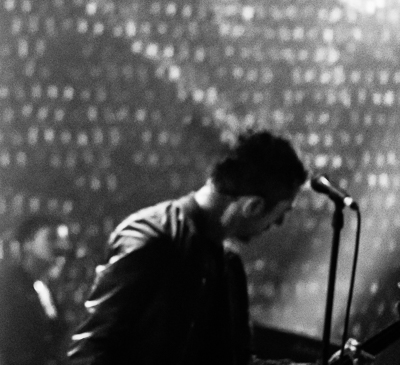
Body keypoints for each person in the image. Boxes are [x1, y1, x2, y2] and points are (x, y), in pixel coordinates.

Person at [67, 129, 368, 365]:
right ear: (252, 206)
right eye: (280, 215)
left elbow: (237, 363)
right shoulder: (150, 237)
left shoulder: (227, 264)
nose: (276, 226)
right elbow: (92, 350)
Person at [0, 214, 72, 365]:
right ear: (27, 243)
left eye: (64, 240)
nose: (63, 247)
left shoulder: (47, 292)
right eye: (52, 238)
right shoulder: (5, 285)